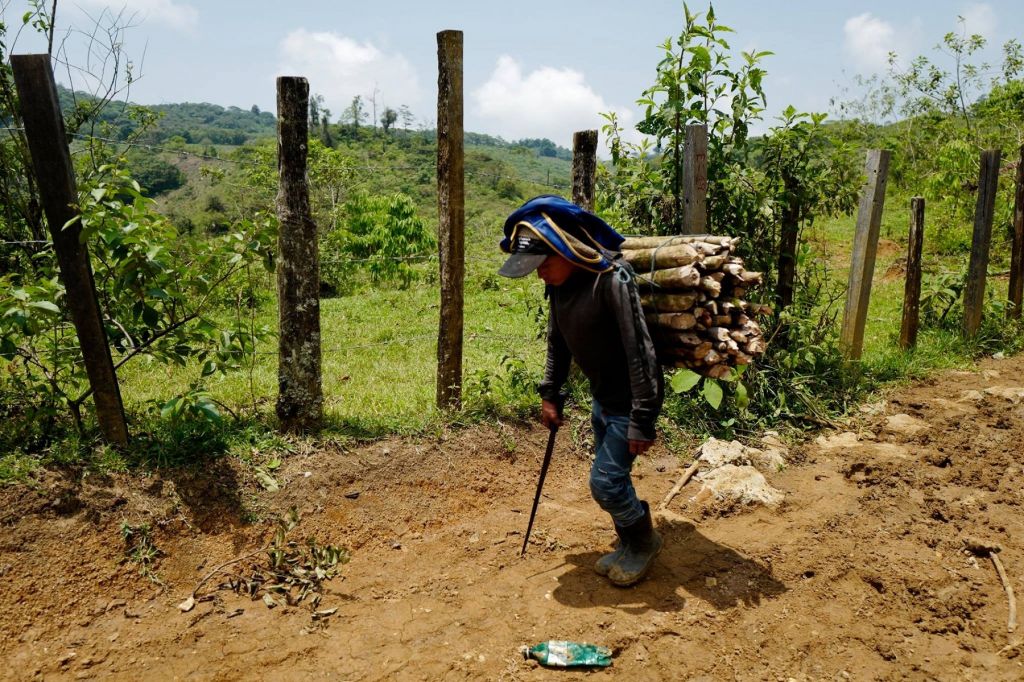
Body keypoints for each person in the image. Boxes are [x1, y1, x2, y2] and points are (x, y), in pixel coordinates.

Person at [498, 195, 664, 587]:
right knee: (613, 481)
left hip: (629, 404)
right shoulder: (559, 288)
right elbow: (558, 344)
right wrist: (550, 393)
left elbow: (640, 350)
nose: (539, 275)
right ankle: (629, 542)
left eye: (543, 264)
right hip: (602, 399)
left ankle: (643, 542)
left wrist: (643, 417)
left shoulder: (610, 281)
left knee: (604, 483)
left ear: (566, 249)